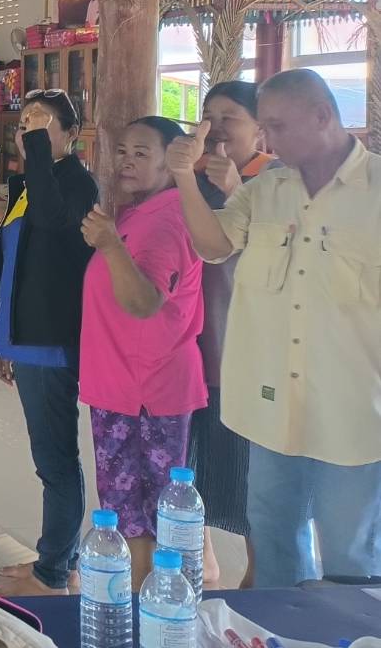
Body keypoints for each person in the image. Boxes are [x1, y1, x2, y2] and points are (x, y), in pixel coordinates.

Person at [168, 69, 381, 588]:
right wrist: (182, 177)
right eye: (264, 126)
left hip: (354, 413)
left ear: (322, 116)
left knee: (351, 557)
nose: (267, 139)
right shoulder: (266, 190)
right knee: (273, 540)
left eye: (278, 126)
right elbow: (213, 245)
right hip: (273, 410)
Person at [0, 90, 98, 595]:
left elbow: (53, 224)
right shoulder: (30, 184)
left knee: (56, 460)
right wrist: (4, 341)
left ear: (71, 134)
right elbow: (15, 267)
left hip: (51, 341)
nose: (29, 128)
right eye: (24, 119)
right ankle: (58, 558)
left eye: (43, 121)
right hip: (25, 338)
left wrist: (40, 157)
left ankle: (53, 572)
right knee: (50, 457)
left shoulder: (75, 182)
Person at [79, 116, 205, 588]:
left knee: (146, 516)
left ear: (172, 164)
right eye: (122, 151)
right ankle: (141, 601)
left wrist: (111, 246)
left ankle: (146, 605)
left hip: (147, 391)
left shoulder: (167, 220)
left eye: (141, 153)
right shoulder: (140, 211)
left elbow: (144, 302)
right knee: (126, 510)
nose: (126, 161)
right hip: (121, 384)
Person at [187, 80, 273, 588]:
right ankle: (202, 561)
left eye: (230, 117)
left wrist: (235, 190)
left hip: (246, 352)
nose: (216, 128)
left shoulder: (275, 180)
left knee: (250, 474)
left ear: (260, 130)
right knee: (189, 465)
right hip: (190, 349)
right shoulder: (188, 179)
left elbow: (276, 253)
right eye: (209, 116)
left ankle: (260, 572)